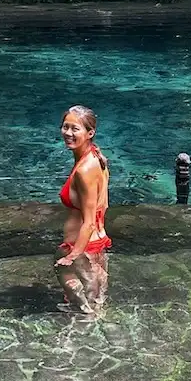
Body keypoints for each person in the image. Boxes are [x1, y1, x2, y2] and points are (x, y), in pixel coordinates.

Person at [54, 105, 111, 313]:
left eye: (74, 128)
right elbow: (102, 205)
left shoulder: (85, 170)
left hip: (83, 244)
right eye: (65, 127)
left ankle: (83, 317)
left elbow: (87, 221)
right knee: (96, 295)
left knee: (64, 272)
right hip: (96, 240)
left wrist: (71, 256)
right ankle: (90, 313)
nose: (68, 133)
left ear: (90, 133)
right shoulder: (96, 157)